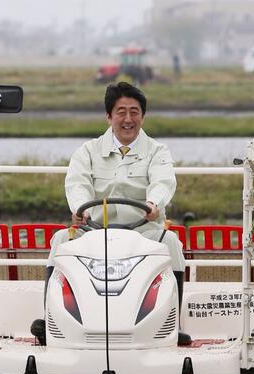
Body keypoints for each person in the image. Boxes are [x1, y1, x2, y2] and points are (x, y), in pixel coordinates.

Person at [43, 82, 190, 345]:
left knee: (171, 242)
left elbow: (163, 181)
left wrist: (153, 204)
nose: (128, 119)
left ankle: (173, 324)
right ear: (108, 116)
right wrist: (79, 209)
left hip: (143, 231)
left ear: (143, 116)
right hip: (94, 231)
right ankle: (48, 321)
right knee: (60, 240)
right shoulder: (87, 151)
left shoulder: (158, 151)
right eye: (121, 112)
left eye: (134, 112)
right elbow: (77, 184)